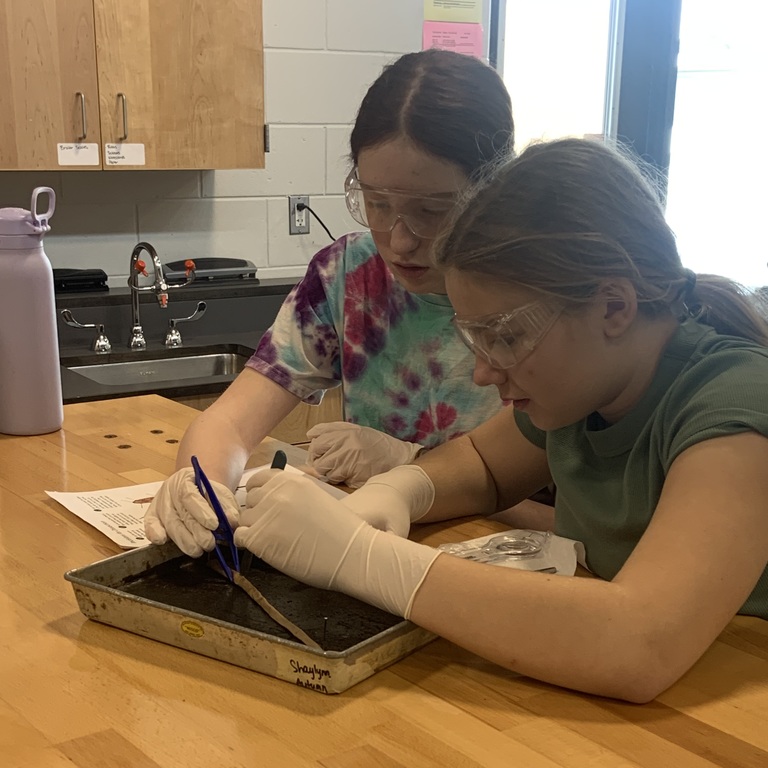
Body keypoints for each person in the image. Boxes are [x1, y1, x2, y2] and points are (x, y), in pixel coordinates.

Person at [232, 137, 768, 703]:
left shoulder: (736, 407)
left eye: (505, 337)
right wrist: (399, 489)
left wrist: (359, 558)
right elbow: (483, 466)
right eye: (475, 339)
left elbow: (638, 641)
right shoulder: (588, 392)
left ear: (614, 306)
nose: (484, 371)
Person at [144, 49, 515, 556]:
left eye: (432, 211)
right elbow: (230, 421)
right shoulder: (350, 277)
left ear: (493, 191)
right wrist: (199, 484)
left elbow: (559, 506)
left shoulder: (536, 298)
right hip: (372, 553)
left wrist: (408, 465)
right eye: (377, 203)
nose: (400, 240)